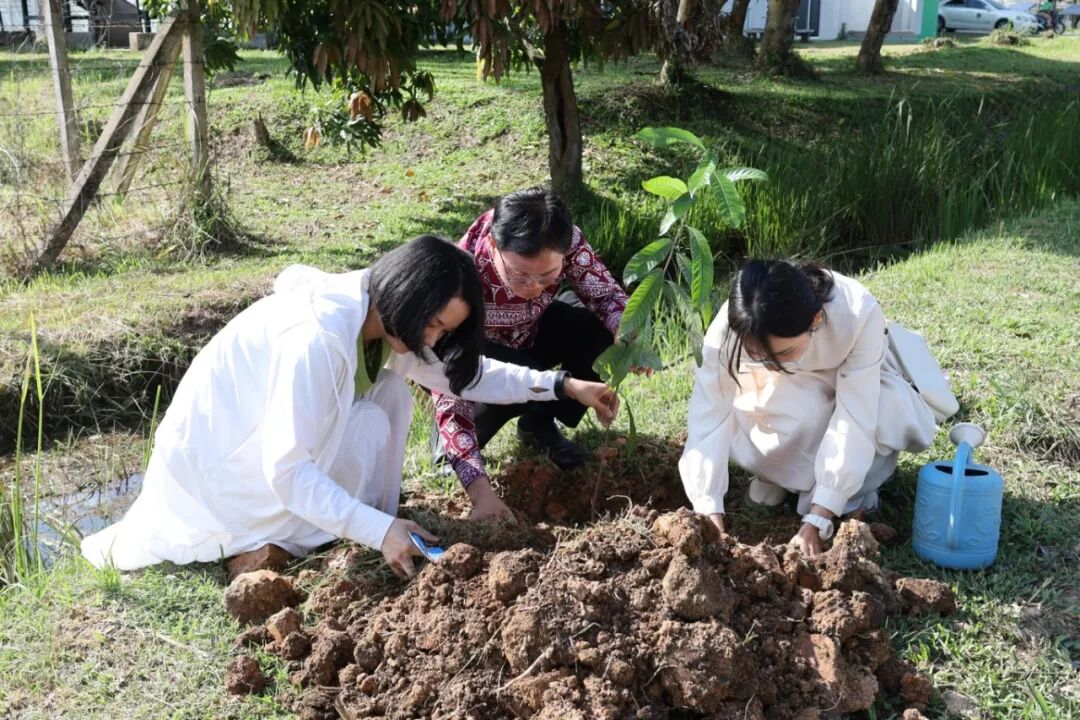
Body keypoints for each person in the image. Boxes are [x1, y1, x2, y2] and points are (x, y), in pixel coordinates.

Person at [81, 236, 618, 579]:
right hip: (220, 478)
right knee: (372, 413)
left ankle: (367, 522)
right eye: (434, 325)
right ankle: (333, 532)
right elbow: (286, 470)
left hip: (251, 451)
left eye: (445, 329)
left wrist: (563, 386)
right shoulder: (317, 341)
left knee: (386, 398)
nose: (436, 337)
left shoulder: (377, 313)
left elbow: (464, 375)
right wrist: (378, 533)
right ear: (408, 300)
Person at [678, 259, 937, 557]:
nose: (771, 362)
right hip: (782, 397)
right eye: (758, 354)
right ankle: (777, 476)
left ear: (815, 320)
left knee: (882, 410)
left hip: (853, 389)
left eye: (784, 351)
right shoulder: (730, 328)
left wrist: (816, 520)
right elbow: (710, 417)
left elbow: (855, 415)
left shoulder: (857, 313)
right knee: (792, 411)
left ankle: (847, 494)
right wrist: (709, 511)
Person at [431, 187, 638, 522]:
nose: (533, 286)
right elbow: (445, 376)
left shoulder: (566, 241)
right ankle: (448, 448)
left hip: (533, 331)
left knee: (600, 332)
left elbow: (606, 298)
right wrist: (473, 480)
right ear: (495, 248)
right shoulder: (460, 273)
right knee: (519, 377)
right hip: (477, 354)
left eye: (547, 276)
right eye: (520, 275)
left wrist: (629, 337)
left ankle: (538, 425)